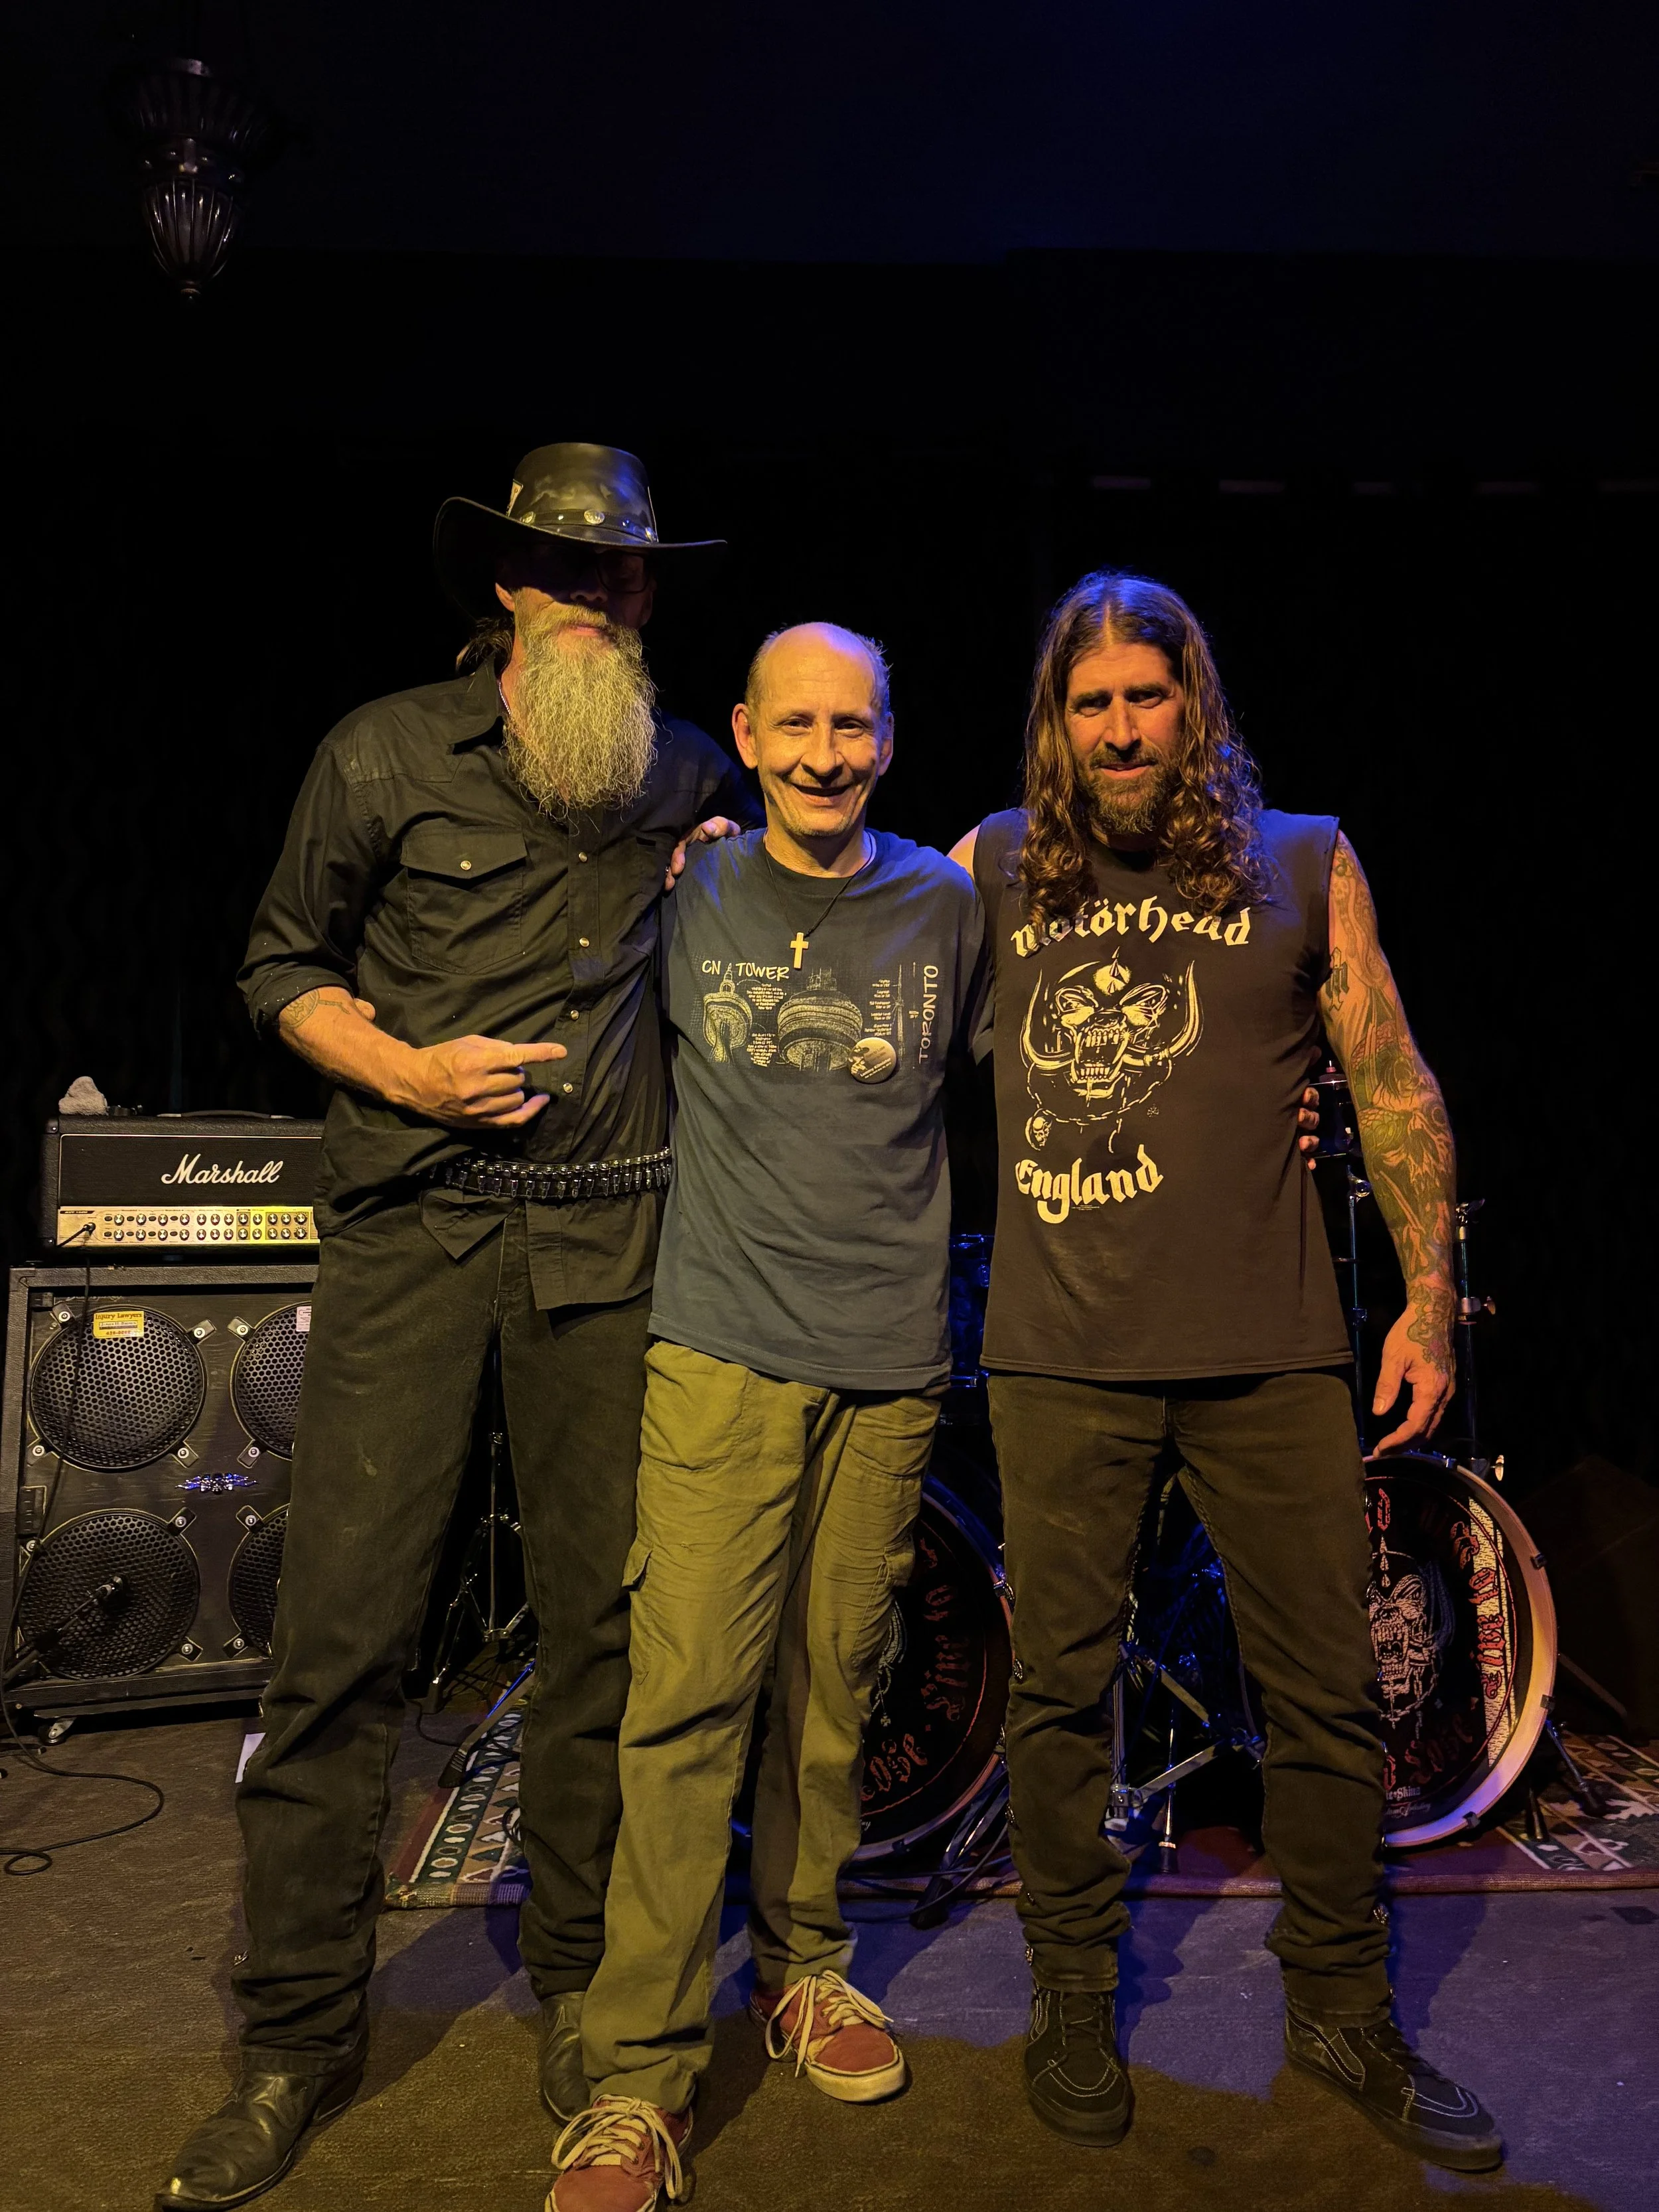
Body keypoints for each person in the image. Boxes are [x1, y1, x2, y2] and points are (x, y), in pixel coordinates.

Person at [157, 445, 750, 2212]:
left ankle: (581, 1988)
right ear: (505, 585)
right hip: (415, 1234)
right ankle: (291, 2036)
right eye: (569, 572)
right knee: (339, 1638)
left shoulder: (686, 773)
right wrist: (407, 1066)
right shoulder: (384, 749)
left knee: (605, 1640)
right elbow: (277, 964)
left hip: (608, 1243)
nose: (601, 599)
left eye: (629, 576)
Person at [948, 571, 1502, 2174]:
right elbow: (851, 942)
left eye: (1147, 694)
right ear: (1055, 722)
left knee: (1326, 1694)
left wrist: (1423, 1301)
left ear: (1195, 706)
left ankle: (1338, 2006)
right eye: (1090, 700)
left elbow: (1388, 1080)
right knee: (1059, 1692)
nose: (1121, 726)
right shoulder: (991, 865)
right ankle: (1069, 1988)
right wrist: (730, 857)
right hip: (1061, 1357)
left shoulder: (1299, 859)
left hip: (1270, 1357)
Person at [547, 624, 985, 2212]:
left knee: (836, 1689)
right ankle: (636, 2082)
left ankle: (804, 1968)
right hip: (720, 1350)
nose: (820, 752)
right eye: (791, 724)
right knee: (684, 1705)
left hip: (888, 1364)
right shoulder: (693, 883)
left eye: (849, 725)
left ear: (888, 734)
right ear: (742, 731)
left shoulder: (947, 902)